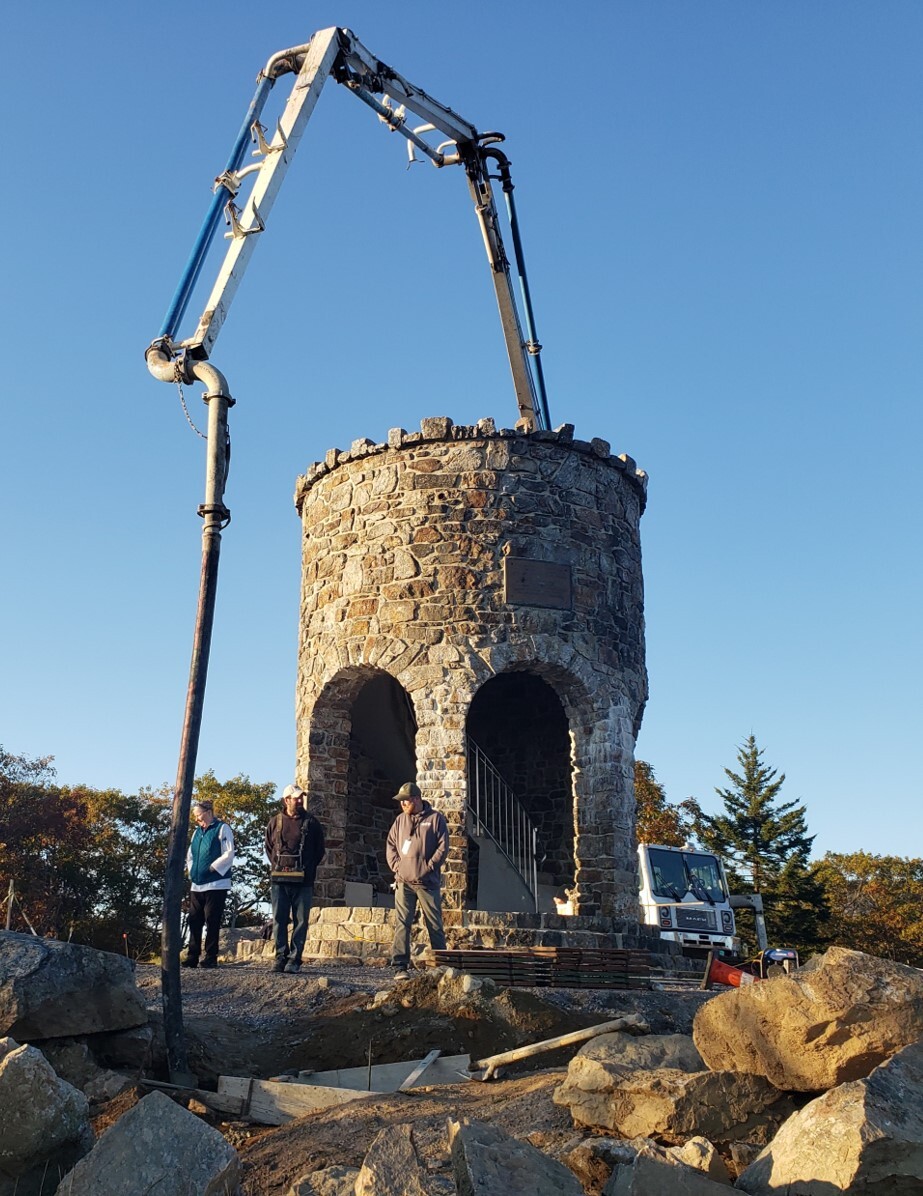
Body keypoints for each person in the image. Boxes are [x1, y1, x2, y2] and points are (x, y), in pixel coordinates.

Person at [386, 781, 449, 980]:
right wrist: (398, 867)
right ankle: (400, 967)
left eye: (405, 801)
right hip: (404, 882)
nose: (403, 805)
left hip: (427, 884)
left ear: (416, 799)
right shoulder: (399, 821)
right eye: (401, 802)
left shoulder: (436, 819)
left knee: (434, 924)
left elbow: (443, 846)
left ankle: (441, 966)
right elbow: (391, 846)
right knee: (402, 923)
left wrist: (428, 867)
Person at [264, 784, 326, 974]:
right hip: (279, 880)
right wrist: (280, 866)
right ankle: (280, 957)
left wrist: (306, 868)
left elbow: (319, 851)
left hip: (304, 881)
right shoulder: (274, 822)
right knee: (279, 919)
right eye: (295, 798)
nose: (299, 801)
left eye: (301, 798)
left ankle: (295, 959)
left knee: (301, 920)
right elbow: (268, 847)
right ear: (286, 800)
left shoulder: (312, 823)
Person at [184, 798, 235, 969]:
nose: (197, 819)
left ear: (208, 813)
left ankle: (211, 956)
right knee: (194, 919)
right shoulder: (197, 832)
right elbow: (191, 854)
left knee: (212, 919)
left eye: (198, 815)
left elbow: (229, 853)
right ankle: (192, 955)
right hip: (197, 884)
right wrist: (192, 870)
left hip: (216, 883)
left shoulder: (222, 828)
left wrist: (213, 868)